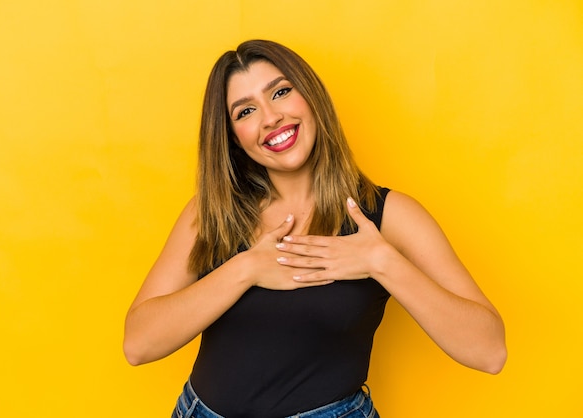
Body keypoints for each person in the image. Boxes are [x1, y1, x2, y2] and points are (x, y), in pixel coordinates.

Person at [123, 39, 507, 418]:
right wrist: (245, 269)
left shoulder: (388, 217)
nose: (270, 117)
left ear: (311, 97)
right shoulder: (212, 214)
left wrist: (382, 262)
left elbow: (489, 352)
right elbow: (138, 344)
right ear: (234, 140)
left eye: (281, 92)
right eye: (245, 112)